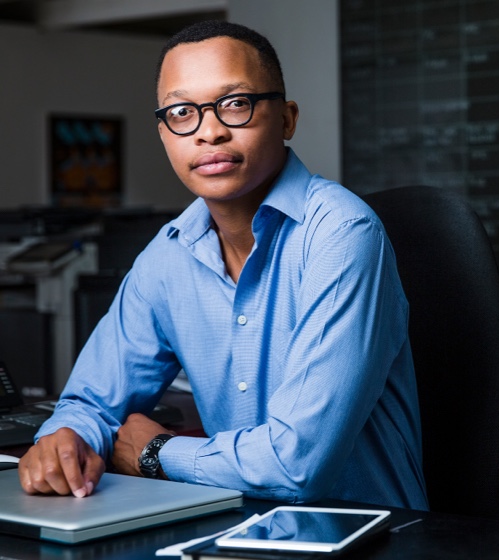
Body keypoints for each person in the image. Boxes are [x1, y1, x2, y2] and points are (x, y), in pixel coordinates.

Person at [18, 20, 428, 511]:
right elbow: (91, 403)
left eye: (236, 103)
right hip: (234, 530)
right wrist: (63, 440)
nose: (208, 132)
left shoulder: (341, 236)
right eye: (182, 111)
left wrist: (155, 452)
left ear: (287, 119)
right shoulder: (168, 257)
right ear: (165, 133)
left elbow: (297, 465)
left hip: (371, 537)